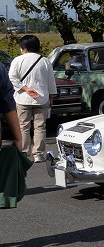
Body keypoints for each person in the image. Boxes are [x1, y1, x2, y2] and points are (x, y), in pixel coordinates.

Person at [9, 35, 53, 164]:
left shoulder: (17, 60)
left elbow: (12, 77)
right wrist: (51, 97)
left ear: (25, 47)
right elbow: (51, 81)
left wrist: (26, 89)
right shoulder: (45, 61)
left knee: (23, 127)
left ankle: (24, 152)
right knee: (40, 127)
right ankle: (38, 154)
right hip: (41, 98)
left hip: (23, 98)